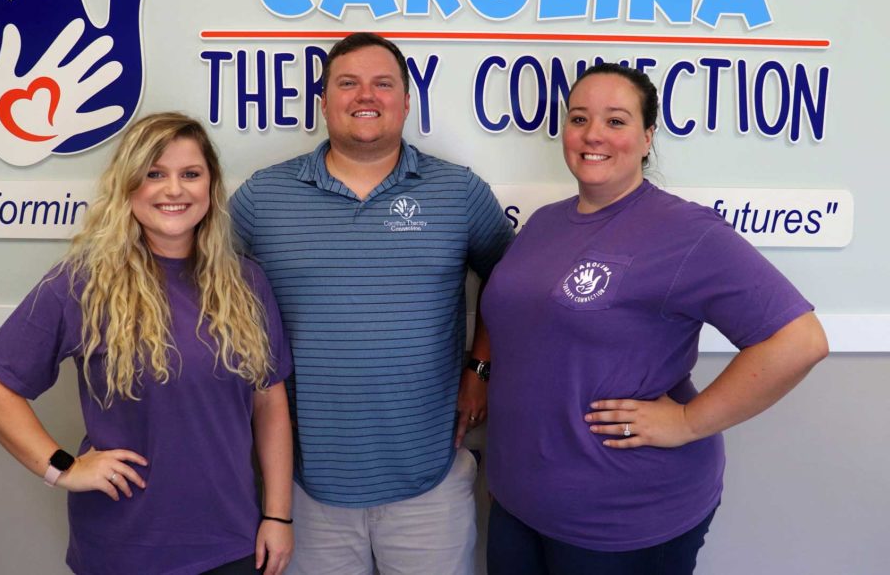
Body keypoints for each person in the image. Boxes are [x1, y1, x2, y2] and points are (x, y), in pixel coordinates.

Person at [481, 63, 829, 575]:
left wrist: (688, 421)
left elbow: (800, 340)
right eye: (579, 118)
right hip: (517, 503)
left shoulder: (683, 231)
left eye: (616, 121)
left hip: (622, 521)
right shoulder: (543, 223)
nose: (593, 134)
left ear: (647, 138)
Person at [229, 32, 514, 575]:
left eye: (383, 84)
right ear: (324, 102)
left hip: (428, 480)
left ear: (407, 101)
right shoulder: (264, 198)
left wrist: (479, 368)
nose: (367, 95)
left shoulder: (457, 191)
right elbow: (198, 282)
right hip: (304, 490)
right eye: (348, 83)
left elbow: (512, 282)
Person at [0, 113, 295, 575]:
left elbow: (270, 405)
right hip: (125, 548)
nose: (173, 189)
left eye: (190, 174)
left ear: (211, 187)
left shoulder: (247, 282)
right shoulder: (82, 282)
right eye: (154, 174)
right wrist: (63, 467)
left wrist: (278, 515)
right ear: (127, 186)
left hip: (231, 540)